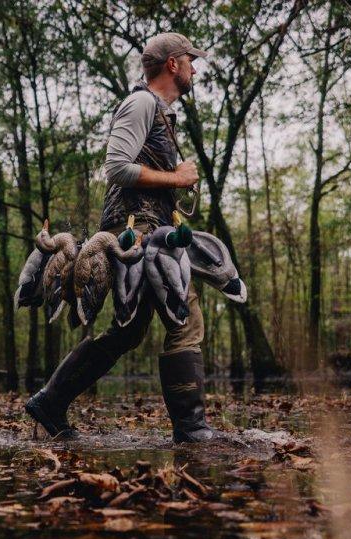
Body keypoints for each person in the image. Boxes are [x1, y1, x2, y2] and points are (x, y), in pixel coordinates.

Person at [25, 32, 218, 444]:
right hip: (141, 231)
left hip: (142, 229)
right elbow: (116, 167)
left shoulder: (157, 110)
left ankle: (50, 402)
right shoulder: (142, 103)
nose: (195, 69)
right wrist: (176, 178)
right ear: (173, 64)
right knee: (185, 319)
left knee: (128, 332)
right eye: (190, 61)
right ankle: (192, 430)